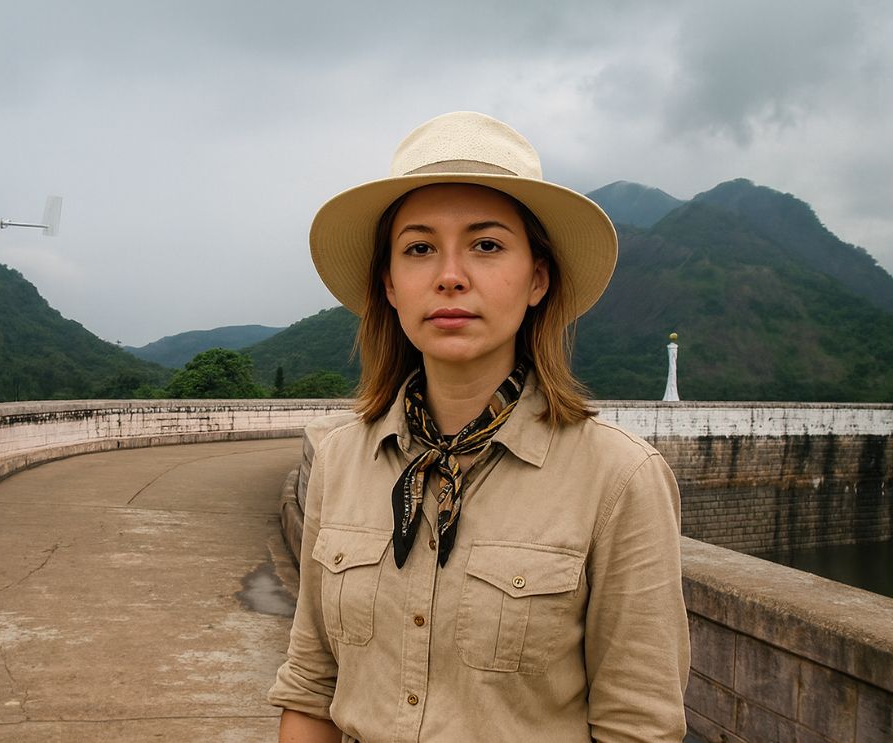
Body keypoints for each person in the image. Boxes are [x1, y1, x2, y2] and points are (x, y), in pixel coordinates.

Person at [268, 112, 690, 742]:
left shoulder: (618, 478)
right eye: (419, 249)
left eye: (486, 245)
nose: (450, 275)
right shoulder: (343, 460)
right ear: (390, 284)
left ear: (537, 279)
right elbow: (311, 685)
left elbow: (638, 725)